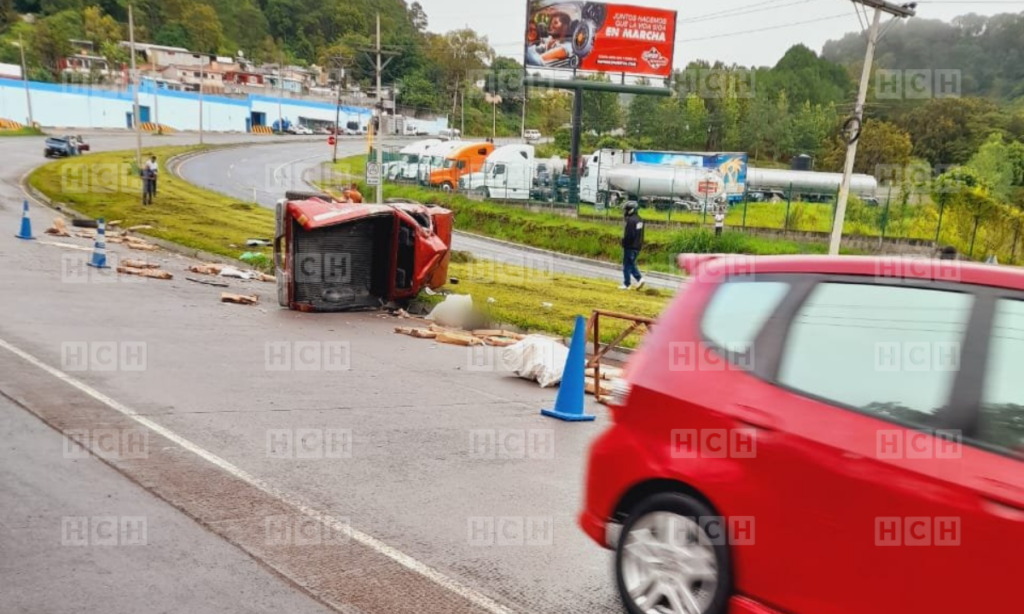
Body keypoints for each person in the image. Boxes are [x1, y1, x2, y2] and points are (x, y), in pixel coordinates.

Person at [620, 201, 645, 290]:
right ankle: (640, 279)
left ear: (632, 210)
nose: (626, 212)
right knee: (631, 264)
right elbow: (641, 234)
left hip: (630, 246)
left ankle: (627, 284)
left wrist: (624, 242)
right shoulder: (640, 220)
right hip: (637, 246)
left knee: (627, 265)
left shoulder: (631, 221)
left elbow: (629, 235)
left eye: (627, 209)